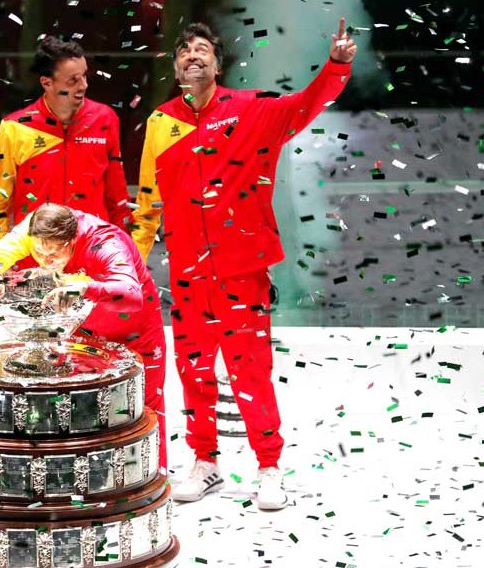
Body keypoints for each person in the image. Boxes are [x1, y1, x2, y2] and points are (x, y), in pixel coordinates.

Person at [132, 19, 357, 510]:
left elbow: (306, 104)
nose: (192, 55)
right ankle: (205, 462)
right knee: (194, 372)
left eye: (202, 49)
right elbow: (148, 202)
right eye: (184, 51)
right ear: (176, 68)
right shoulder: (160, 122)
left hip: (241, 271)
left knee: (250, 373)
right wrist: (133, 263)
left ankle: (269, 467)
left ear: (217, 63)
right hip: (188, 272)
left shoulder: (251, 108)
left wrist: (336, 66)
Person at [0, 204, 168, 468]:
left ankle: (152, 476)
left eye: (55, 252)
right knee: (84, 413)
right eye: (39, 252)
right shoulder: (32, 230)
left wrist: (84, 289)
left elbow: (131, 294)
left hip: (131, 330)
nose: (46, 261)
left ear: (73, 239)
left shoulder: (104, 241)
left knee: (141, 412)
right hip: (81, 331)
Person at [0, 36, 136, 246]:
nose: (83, 85)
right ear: (46, 83)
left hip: (93, 250)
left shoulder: (105, 119)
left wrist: (125, 251)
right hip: (37, 253)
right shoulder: (15, 127)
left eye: (84, 76)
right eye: (73, 81)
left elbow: (117, 196)